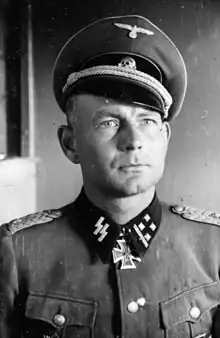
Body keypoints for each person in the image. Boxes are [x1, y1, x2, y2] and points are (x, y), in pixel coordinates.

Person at [1, 14, 220, 338]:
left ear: (165, 137)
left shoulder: (213, 247)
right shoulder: (17, 252)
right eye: (109, 122)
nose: (133, 140)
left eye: (146, 121)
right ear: (70, 143)